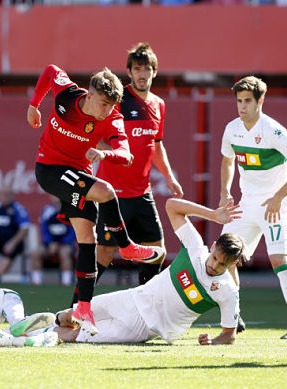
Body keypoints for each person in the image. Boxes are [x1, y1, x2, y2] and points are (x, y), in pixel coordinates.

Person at [27, 64, 164, 335]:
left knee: (87, 238)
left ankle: (83, 308)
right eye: (103, 104)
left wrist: (104, 154)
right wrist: (34, 104)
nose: (107, 110)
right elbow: (51, 70)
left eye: (112, 105)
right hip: (50, 169)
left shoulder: (112, 118)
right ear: (88, 95)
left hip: (77, 173)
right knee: (106, 191)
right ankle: (126, 247)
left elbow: (126, 154)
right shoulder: (67, 94)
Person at [51, 198, 243, 345]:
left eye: (222, 265)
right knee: (72, 315)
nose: (214, 266)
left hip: (143, 327)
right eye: (215, 258)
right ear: (213, 246)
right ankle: (34, 324)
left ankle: (36, 336)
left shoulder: (227, 291)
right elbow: (172, 205)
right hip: (131, 298)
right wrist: (214, 215)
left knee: (78, 335)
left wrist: (213, 341)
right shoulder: (195, 248)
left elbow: (229, 335)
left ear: (232, 263)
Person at [219, 76, 287, 339]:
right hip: (246, 202)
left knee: (278, 260)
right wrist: (225, 191)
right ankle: (234, 317)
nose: (242, 106)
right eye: (239, 101)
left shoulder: (273, 130)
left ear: (261, 101)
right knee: (222, 255)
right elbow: (227, 162)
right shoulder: (232, 129)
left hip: (275, 205)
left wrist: (278, 197)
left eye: (248, 101)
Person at [94, 42, 183, 287]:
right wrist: (115, 152)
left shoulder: (158, 105)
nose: (142, 74)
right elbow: (95, 135)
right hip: (113, 192)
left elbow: (156, 146)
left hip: (142, 193)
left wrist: (169, 176)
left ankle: (144, 306)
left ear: (154, 71)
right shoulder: (118, 100)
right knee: (104, 252)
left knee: (157, 252)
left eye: (146, 69)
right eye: (137, 69)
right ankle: (77, 306)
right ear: (129, 72)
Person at [30, 197, 76, 286]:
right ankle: (36, 282)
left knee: (64, 253)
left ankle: (66, 282)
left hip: (66, 243)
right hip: (49, 244)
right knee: (36, 253)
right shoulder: (47, 210)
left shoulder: (70, 210)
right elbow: (43, 229)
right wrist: (50, 243)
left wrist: (60, 243)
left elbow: (73, 231)